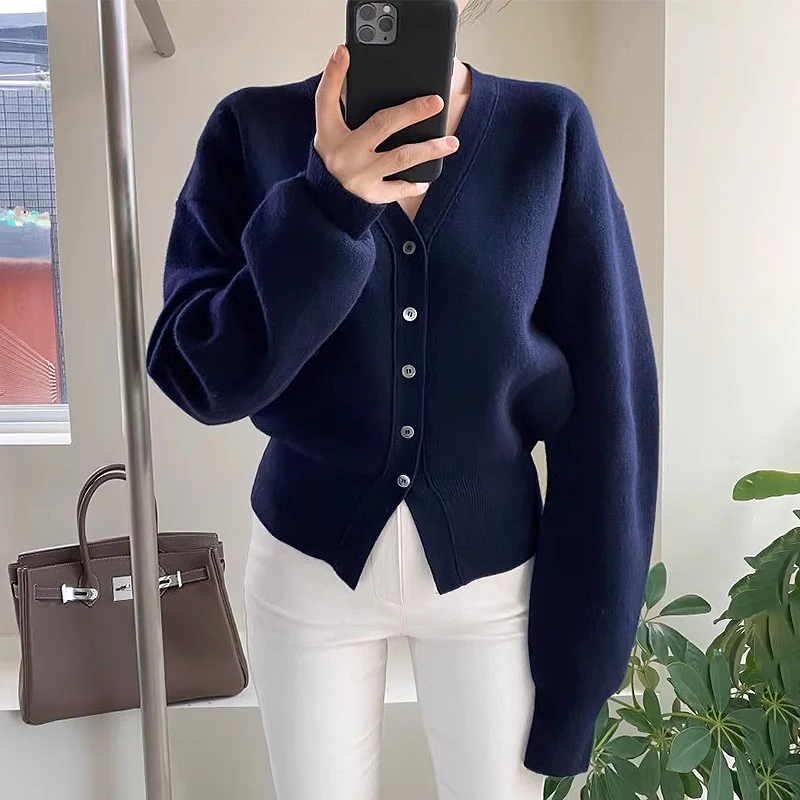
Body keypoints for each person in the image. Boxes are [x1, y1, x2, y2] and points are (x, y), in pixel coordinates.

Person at [146, 1, 659, 797]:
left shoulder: (548, 133)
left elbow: (610, 415)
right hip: (306, 570)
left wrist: (577, 686)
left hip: (495, 585)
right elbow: (198, 372)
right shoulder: (251, 130)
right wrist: (327, 205)